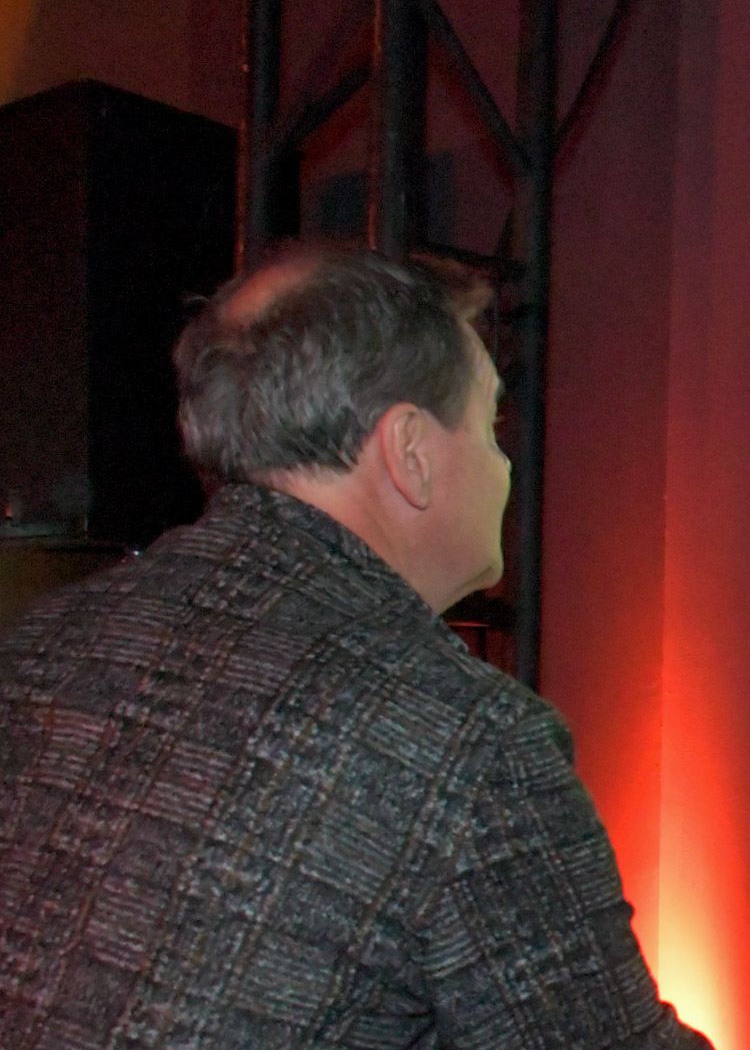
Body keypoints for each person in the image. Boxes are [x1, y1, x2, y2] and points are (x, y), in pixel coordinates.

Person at [0, 246, 710, 1050]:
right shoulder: (465, 740)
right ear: (409, 451)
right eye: (489, 425)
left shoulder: (44, 645)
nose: (506, 466)